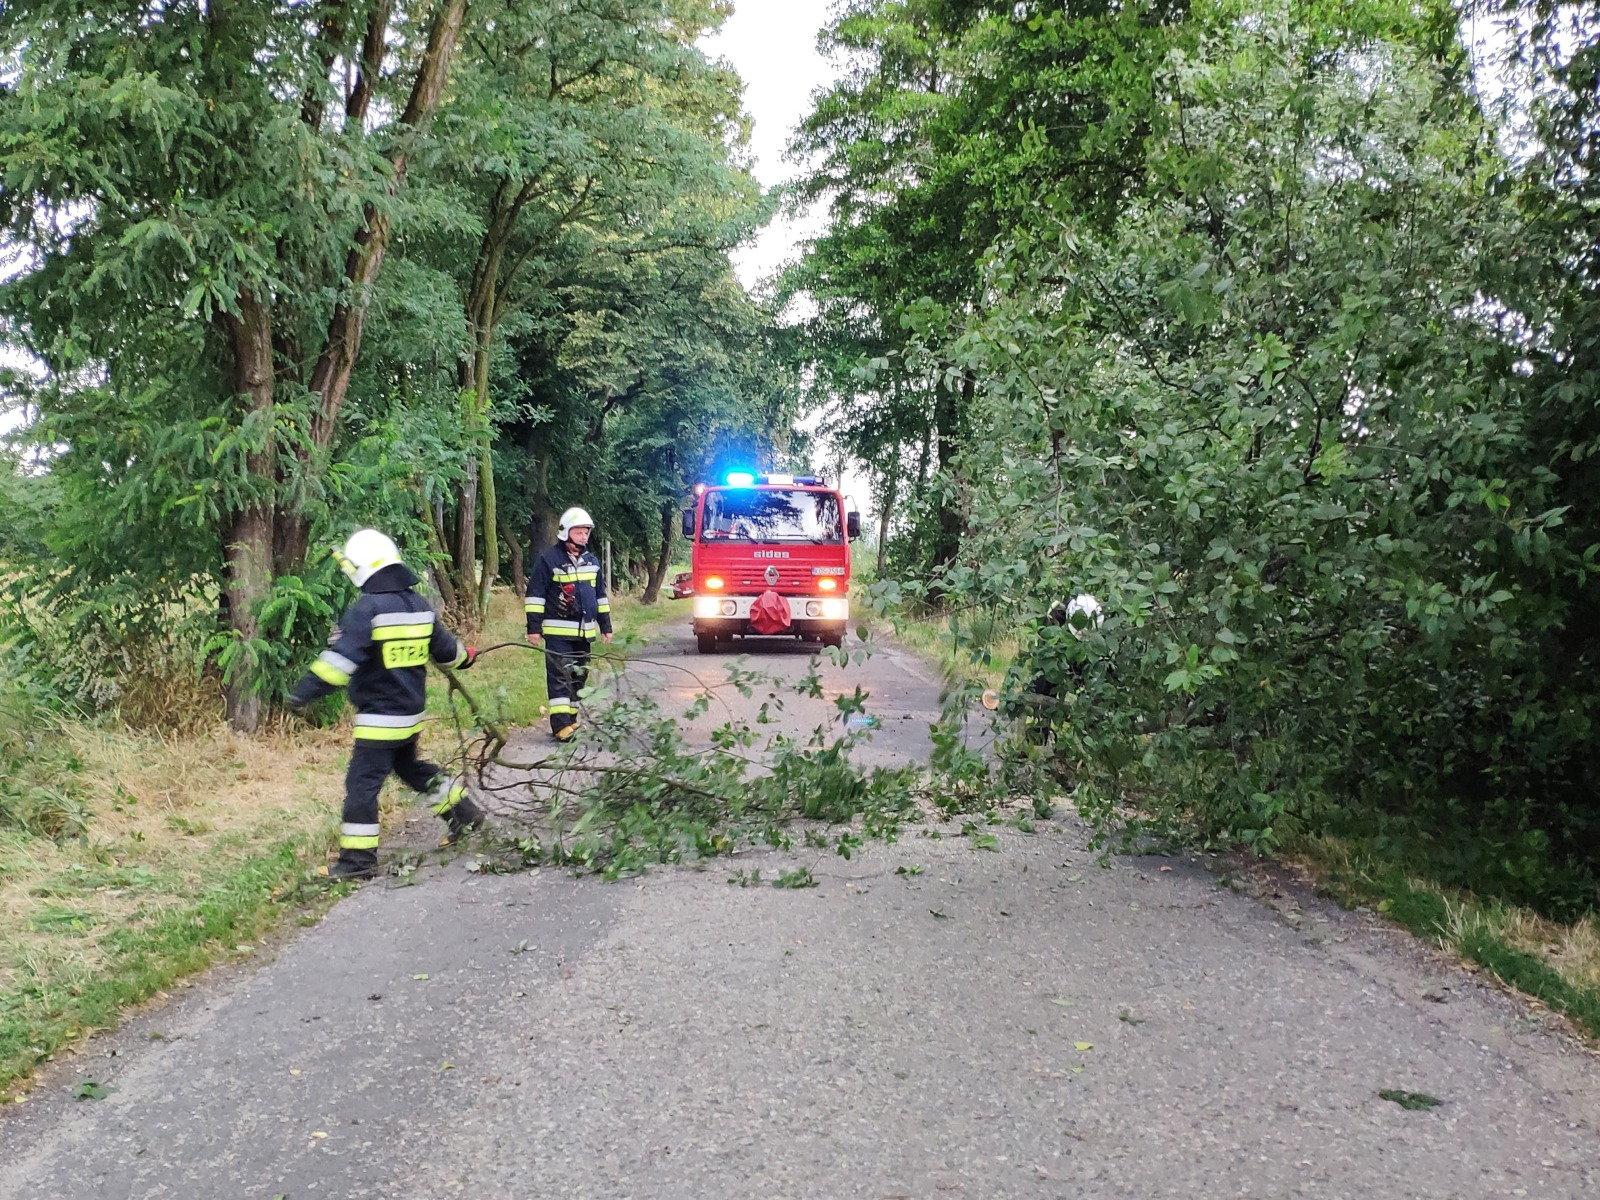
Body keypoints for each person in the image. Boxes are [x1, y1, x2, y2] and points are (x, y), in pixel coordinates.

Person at [289, 528, 485, 880]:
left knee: (361, 786)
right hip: (411, 715)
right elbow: (449, 652)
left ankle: (357, 861)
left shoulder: (369, 609)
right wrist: (468, 657)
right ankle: (464, 813)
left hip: (379, 719)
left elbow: (340, 662)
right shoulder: (419, 605)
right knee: (411, 768)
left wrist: (304, 692)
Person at [526, 506, 612, 741]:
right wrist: (533, 629)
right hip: (557, 633)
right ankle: (560, 726)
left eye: (586, 532)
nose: (584, 536)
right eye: (579, 532)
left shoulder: (592, 562)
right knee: (559, 678)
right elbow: (535, 597)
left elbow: (600, 597)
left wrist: (606, 626)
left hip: (584, 633)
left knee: (578, 677)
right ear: (566, 532)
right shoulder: (549, 560)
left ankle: (571, 721)